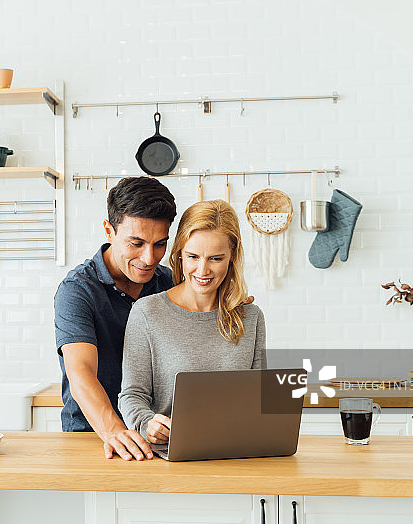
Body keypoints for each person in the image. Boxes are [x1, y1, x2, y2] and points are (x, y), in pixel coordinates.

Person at [118, 199, 267, 445]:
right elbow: (132, 395)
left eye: (215, 258)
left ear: (232, 255)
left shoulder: (250, 317)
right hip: (171, 452)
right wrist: (147, 424)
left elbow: (261, 397)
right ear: (179, 255)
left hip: (236, 449)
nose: (202, 270)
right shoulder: (147, 313)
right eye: (193, 256)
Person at [54, 177, 177, 461]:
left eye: (160, 244)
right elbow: (81, 372)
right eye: (136, 243)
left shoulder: (169, 283)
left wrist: (228, 303)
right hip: (95, 437)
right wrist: (114, 431)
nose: (149, 258)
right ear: (109, 230)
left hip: (155, 438)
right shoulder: (77, 290)